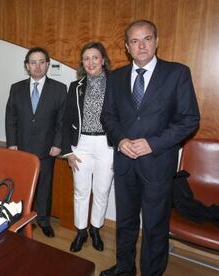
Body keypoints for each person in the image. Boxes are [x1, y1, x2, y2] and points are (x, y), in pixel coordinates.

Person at [100, 20, 200, 276]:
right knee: (125, 222)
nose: (141, 45)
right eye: (134, 41)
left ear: (157, 42)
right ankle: (124, 269)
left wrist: (152, 144)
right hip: (124, 164)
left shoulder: (177, 73)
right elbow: (108, 116)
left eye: (146, 39)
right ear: (126, 47)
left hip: (158, 164)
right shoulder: (116, 77)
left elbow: (189, 119)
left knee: (155, 227)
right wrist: (120, 140)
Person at [5, 47, 67, 237]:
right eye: (33, 62)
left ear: (47, 64)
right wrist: (12, 143)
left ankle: (43, 220)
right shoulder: (16, 88)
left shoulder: (59, 88)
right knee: (22, 185)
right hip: (21, 148)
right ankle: (22, 218)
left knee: (45, 188)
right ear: (27, 66)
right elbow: (11, 118)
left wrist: (57, 144)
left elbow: (62, 121)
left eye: (42, 62)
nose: (38, 66)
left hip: (47, 148)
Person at [62, 42, 113, 252]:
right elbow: (65, 120)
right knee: (81, 191)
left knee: (101, 191)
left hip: (107, 146)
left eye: (95, 57)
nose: (91, 62)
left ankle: (95, 229)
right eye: (86, 58)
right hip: (81, 144)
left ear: (103, 60)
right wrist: (67, 151)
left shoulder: (116, 84)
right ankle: (81, 231)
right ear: (82, 63)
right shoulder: (76, 87)